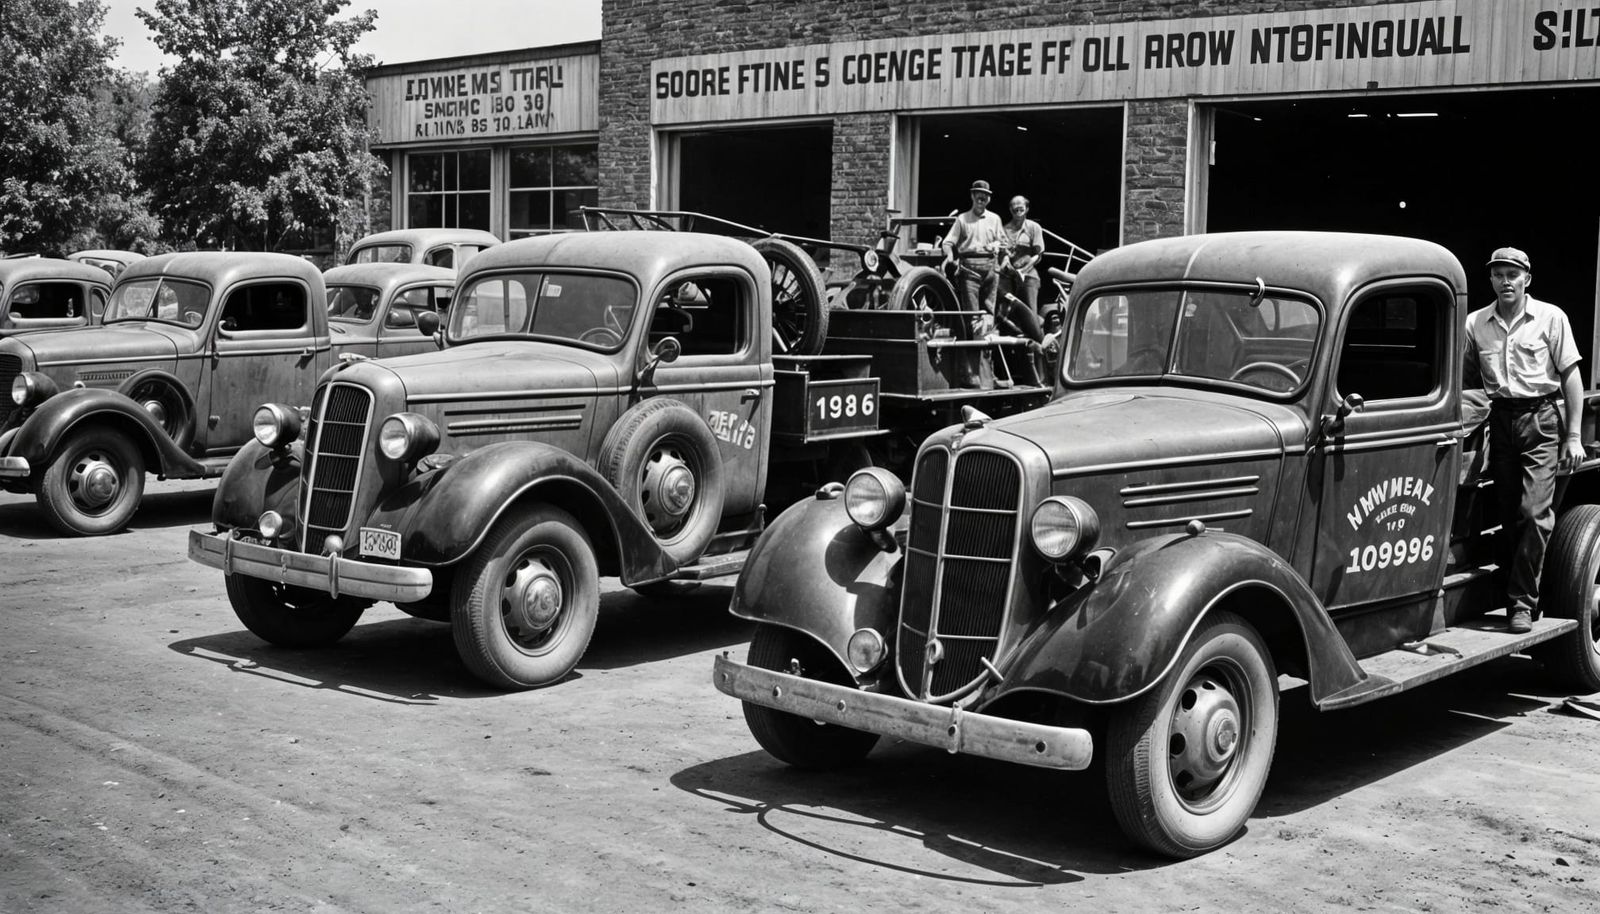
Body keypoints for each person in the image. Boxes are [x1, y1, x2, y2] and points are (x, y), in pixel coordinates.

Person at [1463, 246, 1584, 633]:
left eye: (1512, 275)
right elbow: (1466, 380)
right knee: (1510, 516)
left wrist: (1574, 436)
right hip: (1500, 420)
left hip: (1542, 419)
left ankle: (1520, 603)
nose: (1505, 281)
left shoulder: (1550, 318)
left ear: (1526, 279)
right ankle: (1522, 590)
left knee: (1535, 514)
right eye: (1498, 274)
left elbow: (1571, 378)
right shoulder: (1476, 323)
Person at [940, 179, 1006, 333]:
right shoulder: (962, 219)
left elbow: (1004, 244)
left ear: (989, 199)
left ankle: (986, 353)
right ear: (972, 196)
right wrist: (949, 256)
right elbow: (947, 243)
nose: (981, 198)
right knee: (973, 315)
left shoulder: (995, 219)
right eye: (978, 194)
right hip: (969, 270)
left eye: (985, 195)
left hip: (991, 268)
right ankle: (973, 352)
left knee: (990, 313)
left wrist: (1001, 250)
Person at [998, 195, 1045, 315]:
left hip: (1028, 274)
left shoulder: (1034, 227)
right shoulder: (1004, 229)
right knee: (1005, 311)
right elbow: (1003, 253)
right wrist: (1006, 261)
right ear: (1010, 209)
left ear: (1027, 209)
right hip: (1008, 276)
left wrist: (1023, 271)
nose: (1018, 210)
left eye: (1021, 208)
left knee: (1030, 312)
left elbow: (1038, 254)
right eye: (1014, 207)